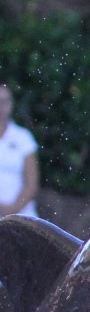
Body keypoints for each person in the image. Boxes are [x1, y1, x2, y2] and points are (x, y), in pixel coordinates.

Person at [0, 83, 39, 219]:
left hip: (21, 216)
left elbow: (31, 183)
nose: (1, 107)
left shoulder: (23, 137)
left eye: (5, 101)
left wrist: (12, 211)